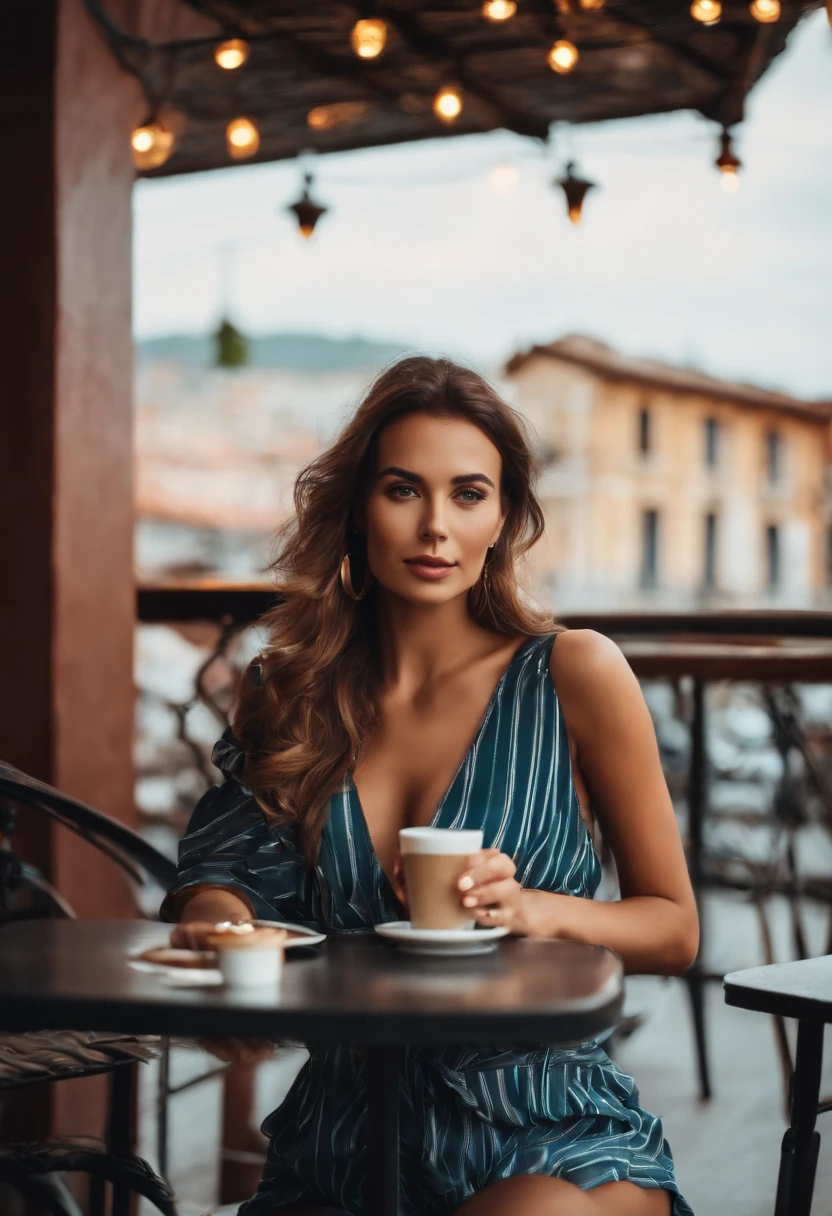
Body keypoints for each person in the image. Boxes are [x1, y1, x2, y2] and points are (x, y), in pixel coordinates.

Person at [161, 356, 697, 1216]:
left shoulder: (576, 674)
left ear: (505, 518)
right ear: (356, 510)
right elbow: (226, 872)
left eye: (469, 494)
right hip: (342, 1141)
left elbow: (673, 930)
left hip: (549, 1133)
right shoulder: (287, 689)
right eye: (404, 490)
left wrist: (534, 910)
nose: (436, 527)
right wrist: (218, 930)